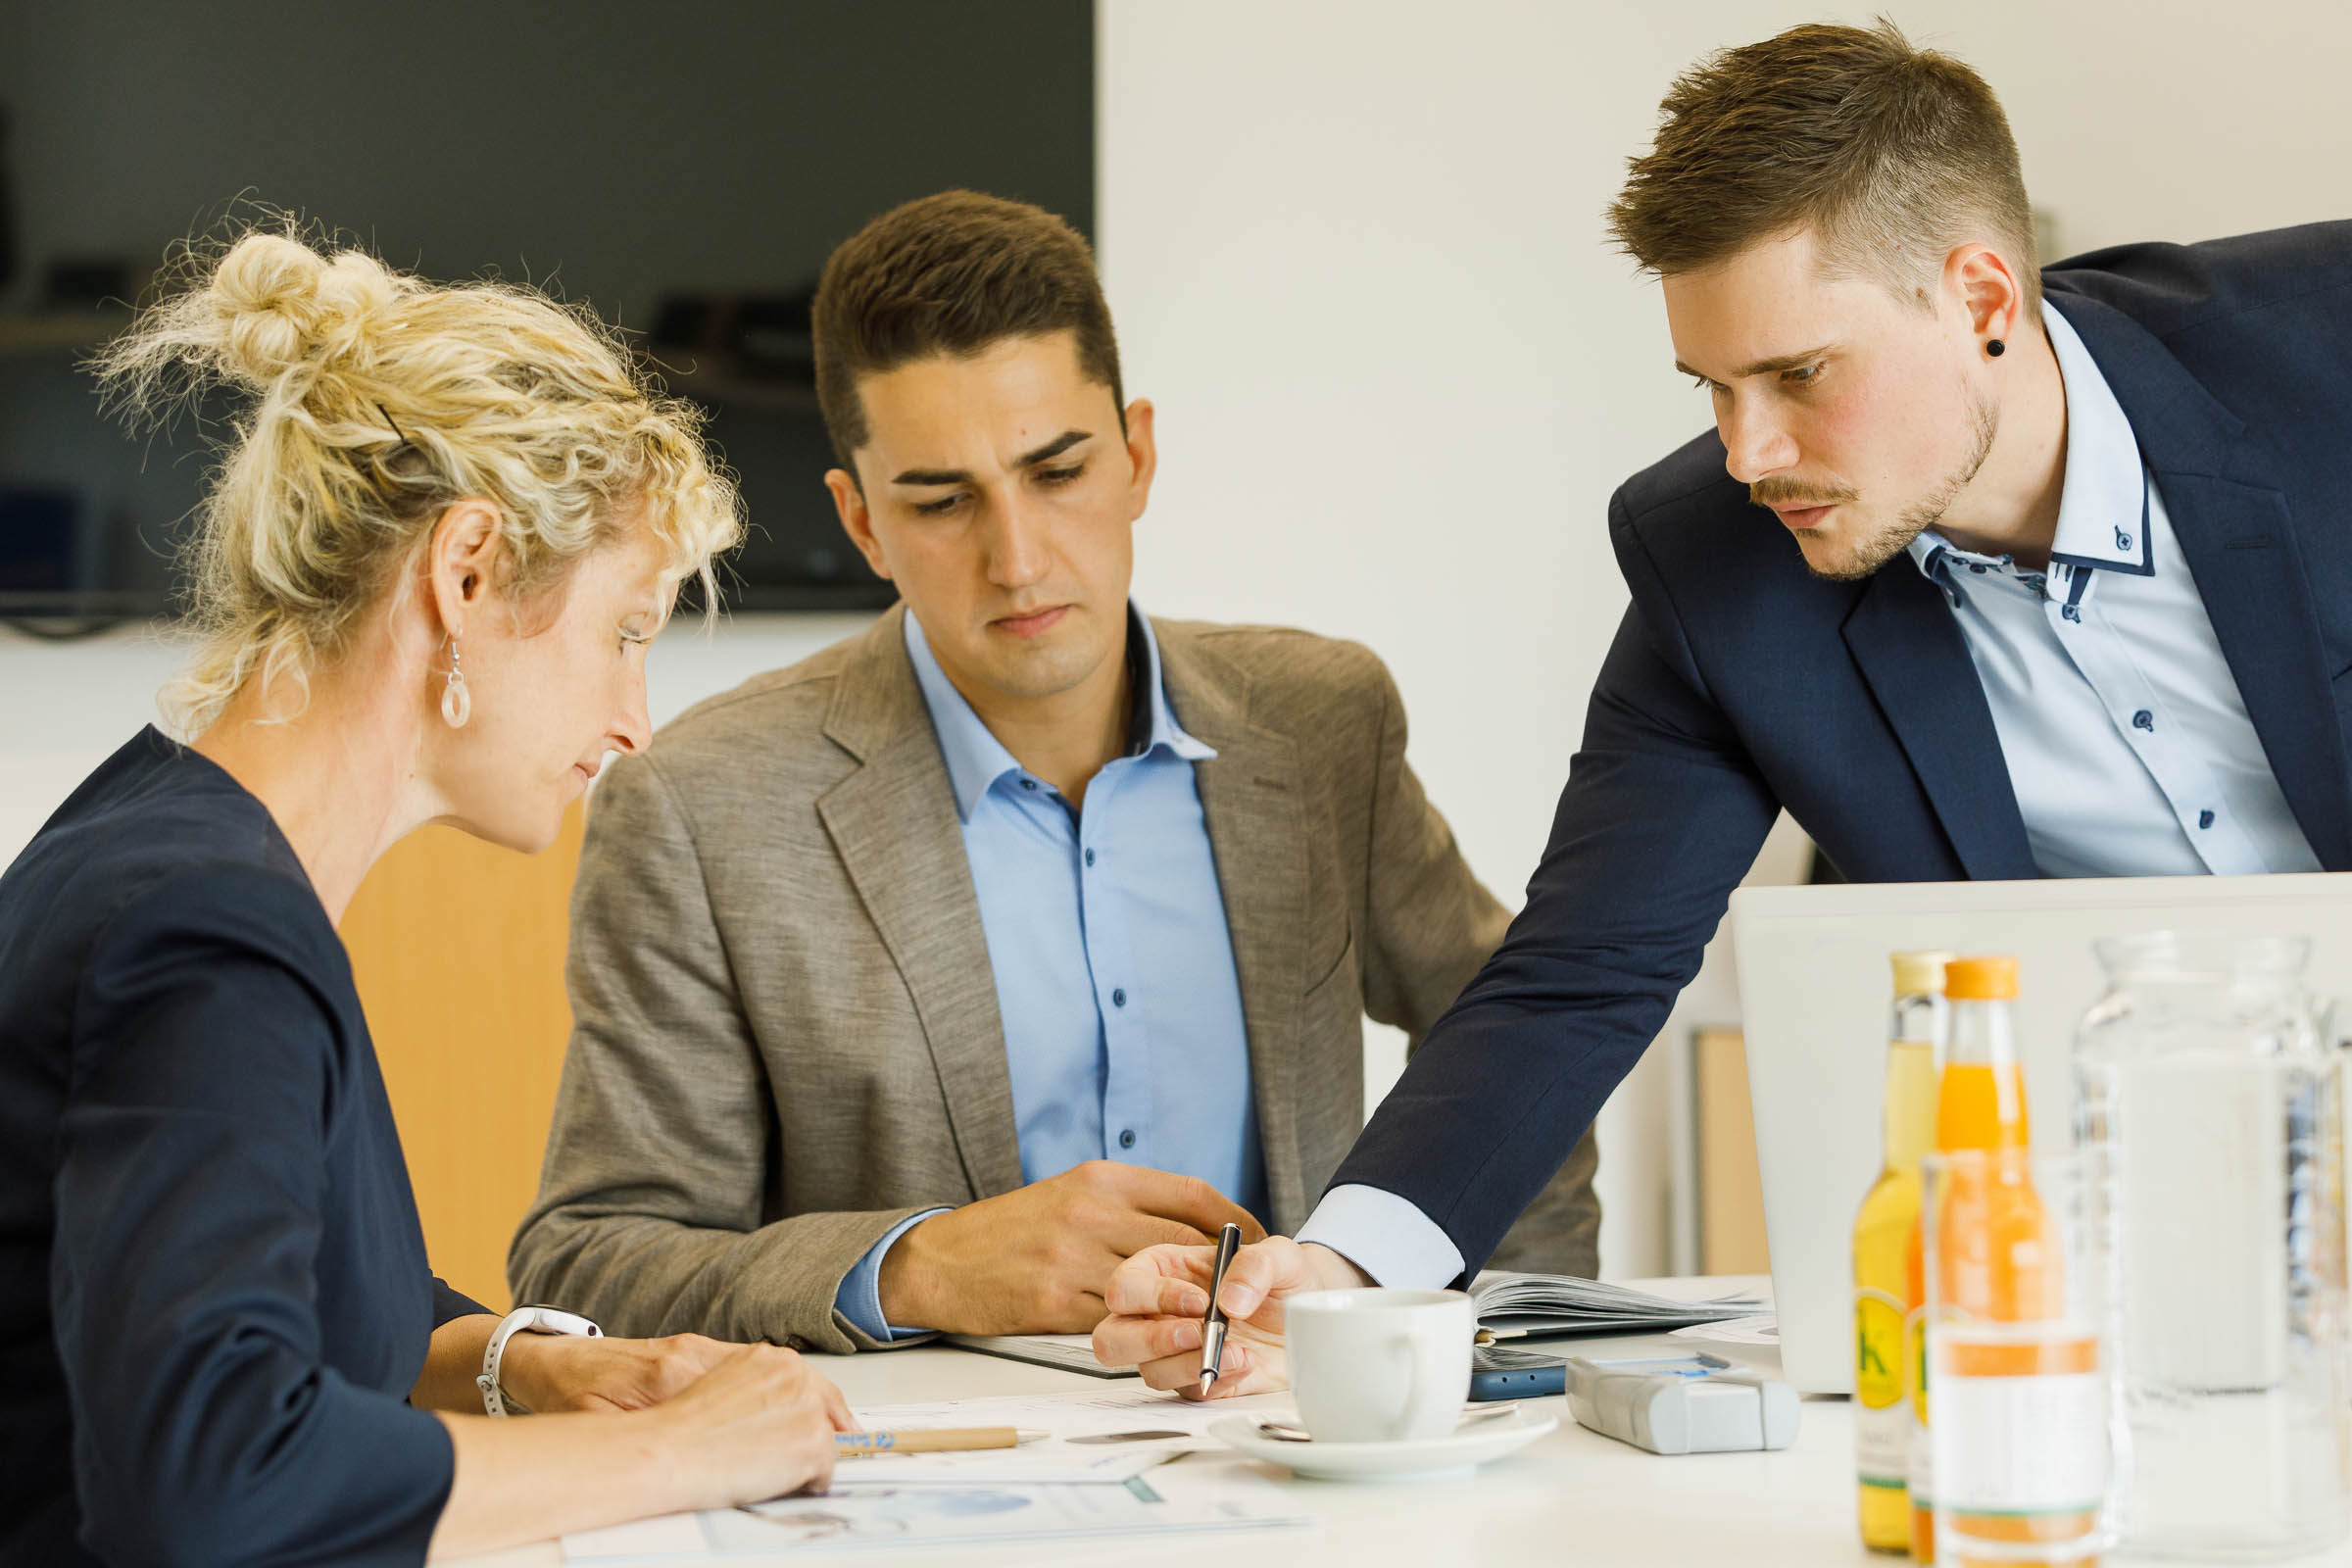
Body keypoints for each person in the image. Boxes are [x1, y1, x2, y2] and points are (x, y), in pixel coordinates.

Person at [1095, 20, 2352, 1395]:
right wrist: (1336, 1274)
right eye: (1712, 386)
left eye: (1801, 375)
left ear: (1985, 300)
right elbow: (1580, 973)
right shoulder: (1723, 561)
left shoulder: (2323, 353)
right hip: (2121, 1254)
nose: (1750, 453)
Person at [507, 190, 1601, 1353]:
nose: (1018, 558)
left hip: (1293, 1460)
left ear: (1136, 455)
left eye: (1058, 471)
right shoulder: (697, 806)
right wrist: (917, 1264)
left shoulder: (1325, 724)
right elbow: (594, 1258)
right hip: (929, 1500)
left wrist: (1501, 1347)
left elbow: (1518, 1051)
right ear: (862, 522)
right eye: (940, 500)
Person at [0, 227, 855, 1566]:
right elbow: (210, 1478)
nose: (637, 719)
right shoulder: (205, 934)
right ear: (464, 575)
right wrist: (677, 1454)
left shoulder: (165, 835)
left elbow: (283, 1301)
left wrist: (522, 1364)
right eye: (626, 629)